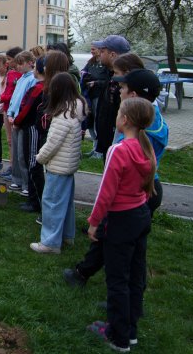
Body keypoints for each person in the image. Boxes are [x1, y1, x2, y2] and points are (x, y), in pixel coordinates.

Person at [64, 62, 168, 290]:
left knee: (117, 245)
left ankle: (114, 295)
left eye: (122, 88)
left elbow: (110, 188)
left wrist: (95, 220)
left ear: (132, 95)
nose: (118, 91)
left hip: (134, 195)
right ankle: (90, 276)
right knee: (131, 248)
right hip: (146, 192)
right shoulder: (150, 119)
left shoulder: (134, 136)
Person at [85, 97, 156, 352]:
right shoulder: (144, 148)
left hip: (121, 220)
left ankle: (118, 337)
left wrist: (94, 223)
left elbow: (107, 191)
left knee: (117, 279)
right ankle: (130, 330)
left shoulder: (119, 149)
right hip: (140, 216)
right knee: (135, 276)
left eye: (118, 113)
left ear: (124, 120)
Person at [30, 72, 87, 254]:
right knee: (65, 203)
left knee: (52, 203)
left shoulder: (63, 116)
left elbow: (53, 143)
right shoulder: (75, 109)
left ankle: (50, 242)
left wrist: (39, 158)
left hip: (58, 167)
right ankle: (66, 235)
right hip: (68, 166)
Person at [92, 35, 131, 157]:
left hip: (116, 142)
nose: (99, 54)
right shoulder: (110, 74)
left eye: (102, 51)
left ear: (113, 55)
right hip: (107, 139)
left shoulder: (124, 81)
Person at [4, 51, 38, 191]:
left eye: (21, 63)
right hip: (14, 118)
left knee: (23, 153)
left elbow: (26, 101)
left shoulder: (32, 79)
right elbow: (15, 99)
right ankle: (17, 179)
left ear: (30, 62)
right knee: (16, 153)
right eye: (17, 63)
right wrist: (11, 113)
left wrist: (17, 116)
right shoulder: (22, 78)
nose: (18, 66)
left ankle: (26, 183)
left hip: (23, 120)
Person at [0, 46, 23, 179]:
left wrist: (2, 97)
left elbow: (13, 93)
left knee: (15, 141)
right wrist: (1, 98)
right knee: (10, 140)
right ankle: (12, 166)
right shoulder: (11, 73)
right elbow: (7, 91)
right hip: (7, 109)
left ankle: (16, 169)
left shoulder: (20, 75)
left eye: (9, 59)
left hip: (15, 111)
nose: (7, 62)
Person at [81, 44, 110, 158]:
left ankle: (99, 150)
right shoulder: (91, 62)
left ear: (100, 50)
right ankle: (95, 147)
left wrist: (96, 83)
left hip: (99, 97)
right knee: (90, 122)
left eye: (94, 49)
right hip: (89, 96)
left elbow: (108, 80)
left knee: (98, 122)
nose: (91, 51)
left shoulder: (105, 65)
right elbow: (84, 71)